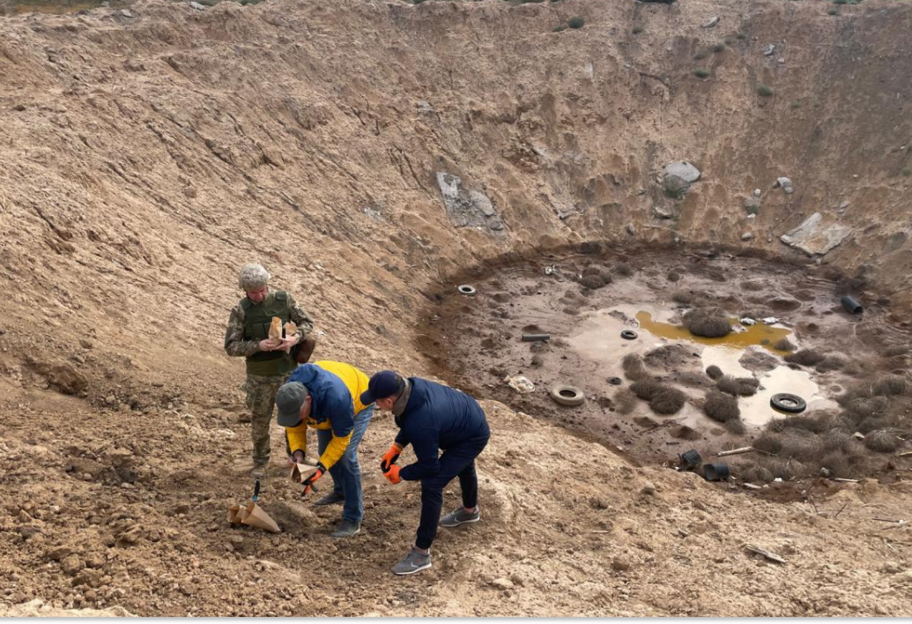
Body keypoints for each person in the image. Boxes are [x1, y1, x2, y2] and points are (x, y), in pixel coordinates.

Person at [361, 371, 490, 575]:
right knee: (463, 464)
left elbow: (429, 467)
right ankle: (469, 511)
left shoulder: (422, 421)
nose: (375, 405)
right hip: (465, 419)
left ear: (388, 400)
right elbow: (408, 416)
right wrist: (397, 446)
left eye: (376, 402)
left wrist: (401, 473)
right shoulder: (411, 388)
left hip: (471, 435)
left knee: (432, 483)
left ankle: (421, 554)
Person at [224, 263, 315, 478]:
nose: (260, 295)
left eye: (263, 290)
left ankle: (296, 456)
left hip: (288, 372)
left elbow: (307, 322)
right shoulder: (240, 311)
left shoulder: (284, 300)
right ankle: (260, 461)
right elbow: (231, 346)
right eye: (254, 292)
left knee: (295, 416)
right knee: (260, 420)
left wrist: (294, 338)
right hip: (260, 376)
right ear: (244, 290)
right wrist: (258, 346)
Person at [275, 361, 374, 539]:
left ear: (307, 400)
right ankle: (340, 491)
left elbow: (341, 440)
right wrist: (298, 452)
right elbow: (294, 426)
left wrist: (321, 469)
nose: (294, 418)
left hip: (359, 399)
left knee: (345, 457)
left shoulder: (337, 399)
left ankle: (353, 518)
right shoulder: (291, 393)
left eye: (296, 414)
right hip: (323, 405)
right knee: (325, 451)